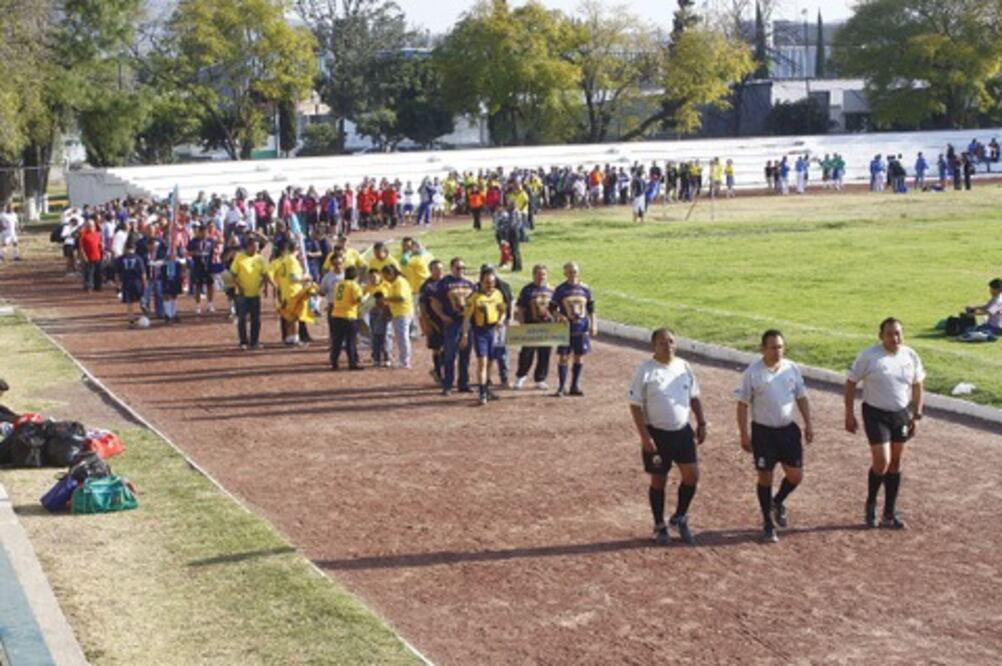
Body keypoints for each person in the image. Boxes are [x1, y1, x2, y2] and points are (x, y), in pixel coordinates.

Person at [627, 327, 707, 546]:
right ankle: (659, 525)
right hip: (657, 434)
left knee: (692, 475)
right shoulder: (646, 370)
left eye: (671, 341)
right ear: (654, 346)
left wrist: (701, 422)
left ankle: (679, 517)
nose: (668, 346)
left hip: (682, 431)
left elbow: (694, 396)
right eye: (663, 342)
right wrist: (645, 436)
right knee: (659, 480)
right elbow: (635, 406)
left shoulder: (684, 367)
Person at [844, 318, 925, 529]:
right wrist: (849, 414)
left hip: (900, 414)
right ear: (881, 336)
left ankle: (889, 513)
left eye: (898, 333)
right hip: (875, 413)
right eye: (889, 334)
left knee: (896, 462)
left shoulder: (910, 356)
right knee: (882, 461)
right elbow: (851, 383)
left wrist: (916, 413)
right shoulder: (869, 357)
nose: (894, 338)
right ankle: (870, 504)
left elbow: (917, 385)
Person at [735, 330, 814, 543]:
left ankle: (777, 501)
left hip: (788, 431)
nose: (777, 351)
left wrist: (808, 423)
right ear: (763, 349)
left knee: (796, 476)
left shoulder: (791, 368)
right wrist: (744, 433)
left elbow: (801, 396)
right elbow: (742, 405)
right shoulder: (753, 372)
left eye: (780, 347)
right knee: (765, 477)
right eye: (772, 347)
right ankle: (768, 523)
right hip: (764, 433)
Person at [461, 266, 507, 405]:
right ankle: (482, 393)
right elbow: (467, 318)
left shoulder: (497, 294)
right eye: (487, 282)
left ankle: (486, 388)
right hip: (480, 332)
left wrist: (501, 320)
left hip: (494, 331)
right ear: (481, 282)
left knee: (491, 363)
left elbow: (503, 310)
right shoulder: (475, 297)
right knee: (482, 362)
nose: (490, 285)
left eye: (492, 282)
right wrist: (464, 335)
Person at [550, 262, 596, 397]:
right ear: (565, 273)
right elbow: (551, 308)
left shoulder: (585, 289)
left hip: (581, 329)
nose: (572, 274)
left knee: (579, 357)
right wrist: (559, 316)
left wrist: (594, 324)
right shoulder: (561, 289)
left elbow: (591, 309)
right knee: (563, 357)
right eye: (569, 272)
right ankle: (561, 386)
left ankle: (575, 385)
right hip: (565, 329)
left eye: (574, 272)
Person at [433, 257, 475, 396]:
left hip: (467, 322)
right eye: (458, 268)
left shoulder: (470, 284)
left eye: (463, 268)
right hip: (452, 323)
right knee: (450, 355)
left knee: (465, 354)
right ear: (451, 268)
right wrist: (442, 316)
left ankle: (463, 383)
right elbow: (434, 302)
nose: (460, 271)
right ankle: (447, 385)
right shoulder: (444, 284)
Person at [513, 264, 554, 390]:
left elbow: (556, 308)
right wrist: (521, 323)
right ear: (533, 275)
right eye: (538, 274)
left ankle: (540, 378)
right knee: (527, 353)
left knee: (545, 353)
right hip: (530, 325)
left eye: (543, 274)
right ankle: (520, 376)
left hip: (547, 327)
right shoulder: (527, 290)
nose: (541, 277)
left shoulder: (552, 290)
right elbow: (520, 307)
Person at [229, 235, 270, 350]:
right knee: (242, 318)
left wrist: (264, 287)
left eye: (257, 247)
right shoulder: (239, 257)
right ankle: (243, 341)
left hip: (255, 294)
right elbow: (233, 273)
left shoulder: (260, 259)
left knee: (256, 319)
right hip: (242, 294)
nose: (255, 249)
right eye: (253, 247)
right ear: (247, 247)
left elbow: (265, 274)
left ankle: (254, 341)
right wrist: (238, 286)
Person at [329, 266, 364, 371]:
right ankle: (352, 362)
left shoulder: (339, 284)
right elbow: (359, 299)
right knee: (350, 341)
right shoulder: (354, 285)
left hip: (336, 314)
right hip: (349, 315)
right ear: (356, 276)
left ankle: (334, 362)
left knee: (337, 340)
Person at [419, 259, 446, 385]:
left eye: (441, 268)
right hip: (433, 321)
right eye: (436, 269)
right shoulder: (427, 286)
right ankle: (438, 372)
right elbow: (422, 306)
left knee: (448, 348)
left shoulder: (447, 282)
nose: (439, 271)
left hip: (447, 321)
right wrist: (425, 323)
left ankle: (442, 370)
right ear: (430, 270)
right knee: (437, 348)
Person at [382, 264, 413, 369]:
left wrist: (386, 299)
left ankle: (405, 361)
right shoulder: (394, 283)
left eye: (386, 276)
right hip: (397, 312)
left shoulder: (400, 282)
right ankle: (403, 359)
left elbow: (401, 297)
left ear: (391, 274)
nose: (385, 278)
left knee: (403, 337)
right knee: (400, 337)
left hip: (402, 312)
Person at [115, 241, 147, 328]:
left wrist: (118, 286)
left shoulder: (120, 259)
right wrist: (145, 284)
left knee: (130, 303)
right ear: (134, 248)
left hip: (126, 282)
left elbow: (117, 274)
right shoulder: (138, 258)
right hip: (137, 282)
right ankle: (143, 307)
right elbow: (143, 273)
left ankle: (131, 321)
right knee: (141, 297)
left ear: (125, 248)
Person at [368, 292, 392, 367]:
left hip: (385, 330)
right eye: (376, 300)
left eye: (380, 299)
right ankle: (376, 360)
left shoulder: (386, 307)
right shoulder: (372, 308)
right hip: (376, 330)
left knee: (386, 345)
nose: (378, 301)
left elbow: (389, 318)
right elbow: (371, 320)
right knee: (376, 346)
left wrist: (384, 315)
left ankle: (387, 359)